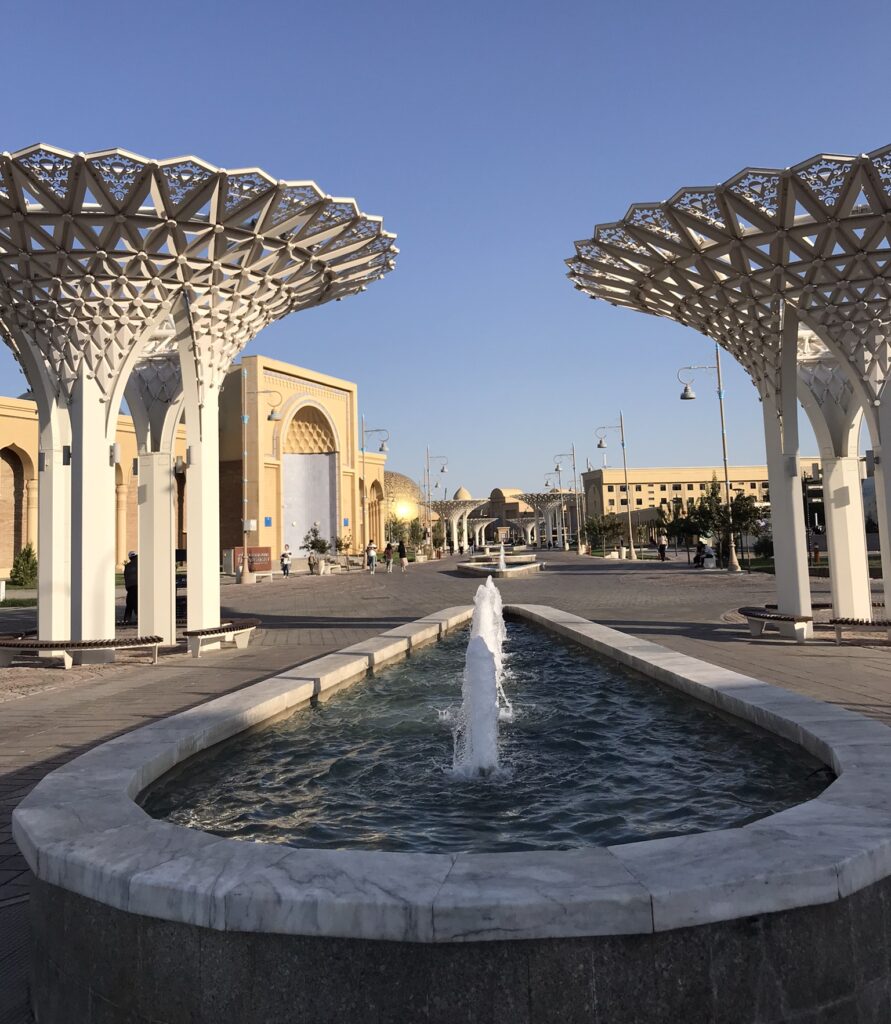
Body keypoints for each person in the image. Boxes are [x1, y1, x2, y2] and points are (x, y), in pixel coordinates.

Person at [122, 551, 138, 625]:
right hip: (139, 587)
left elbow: (126, 578)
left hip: (131, 588)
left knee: (130, 604)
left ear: (130, 557)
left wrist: (128, 588)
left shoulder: (127, 566)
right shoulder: (141, 564)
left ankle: (127, 619)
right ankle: (139, 618)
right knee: (138, 603)